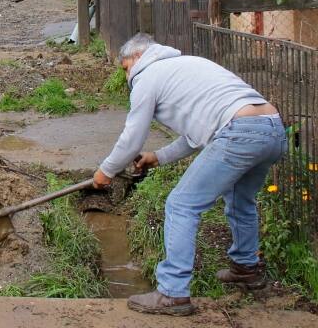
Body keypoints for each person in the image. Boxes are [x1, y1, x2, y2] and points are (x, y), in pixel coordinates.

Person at [93, 33, 285, 316]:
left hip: (239, 133)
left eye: (125, 68)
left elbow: (132, 137)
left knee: (181, 205)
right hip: (271, 128)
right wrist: (158, 157)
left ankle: (172, 293)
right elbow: (198, 134)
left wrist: (105, 171)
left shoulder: (148, 75)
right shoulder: (188, 65)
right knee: (241, 201)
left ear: (137, 57)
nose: (127, 76)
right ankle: (247, 269)